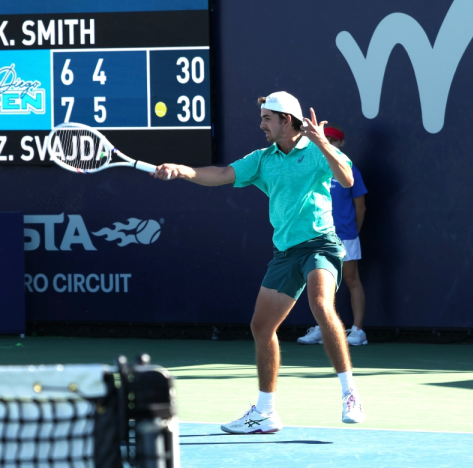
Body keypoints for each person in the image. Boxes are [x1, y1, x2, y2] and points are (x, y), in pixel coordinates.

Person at [153, 92, 365, 433]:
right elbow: (222, 174)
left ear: (286, 120)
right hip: (285, 251)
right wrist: (183, 171)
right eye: (262, 117)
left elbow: (347, 179)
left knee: (321, 304)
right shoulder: (262, 159)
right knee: (261, 326)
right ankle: (265, 412)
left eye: (268, 118)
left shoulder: (314, 151)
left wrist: (322, 143)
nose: (261, 124)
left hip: (320, 243)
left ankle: (349, 392)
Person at [298, 125, 369, 346]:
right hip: (319, 235)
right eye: (324, 138)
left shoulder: (349, 169)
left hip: (346, 236)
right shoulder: (314, 169)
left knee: (351, 279)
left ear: (341, 144)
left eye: (333, 140)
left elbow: (361, 207)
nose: (328, 142)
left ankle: (358, 332)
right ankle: (323, 329)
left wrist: (352, 233)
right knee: (322, 283)